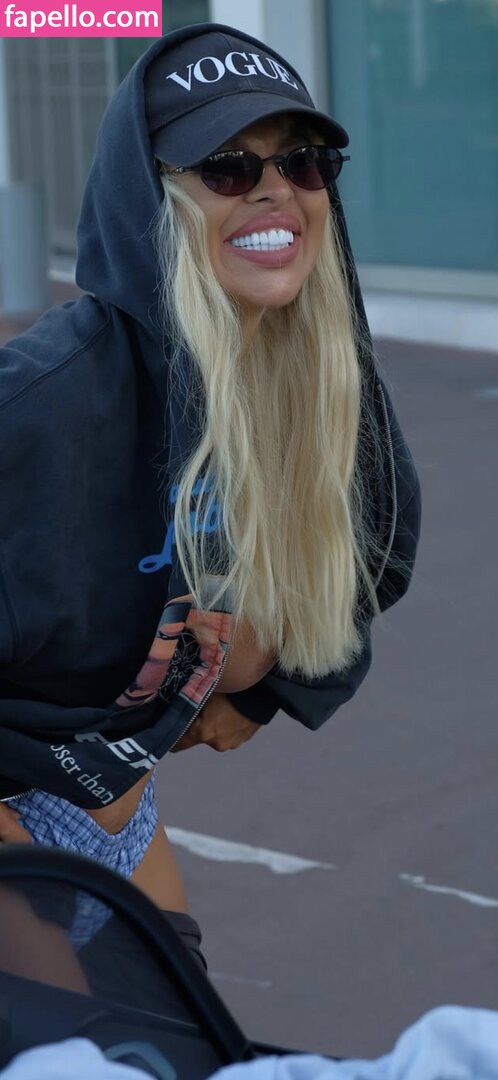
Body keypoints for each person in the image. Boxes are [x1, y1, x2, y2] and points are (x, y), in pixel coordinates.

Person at [0, 23, 420, 954]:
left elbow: (375, 548)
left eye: (303, 162)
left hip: (117, 806)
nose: (276, 189)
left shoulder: (319, 387)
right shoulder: (44, 403)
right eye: (228, 167)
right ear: (152, 200)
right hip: (18, 811)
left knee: (174, 1019)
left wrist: (265, 696)